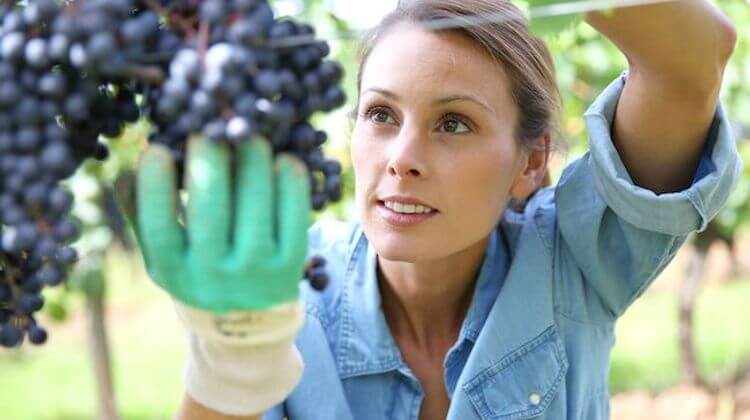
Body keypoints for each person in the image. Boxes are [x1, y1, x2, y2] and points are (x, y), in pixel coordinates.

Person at [116, 0, 742, 418]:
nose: (403, 158)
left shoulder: (576, 259)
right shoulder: (284, 289)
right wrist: (233, 364)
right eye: (381, 114)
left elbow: (692, 61)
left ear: (530, 162)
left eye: (454, 122)